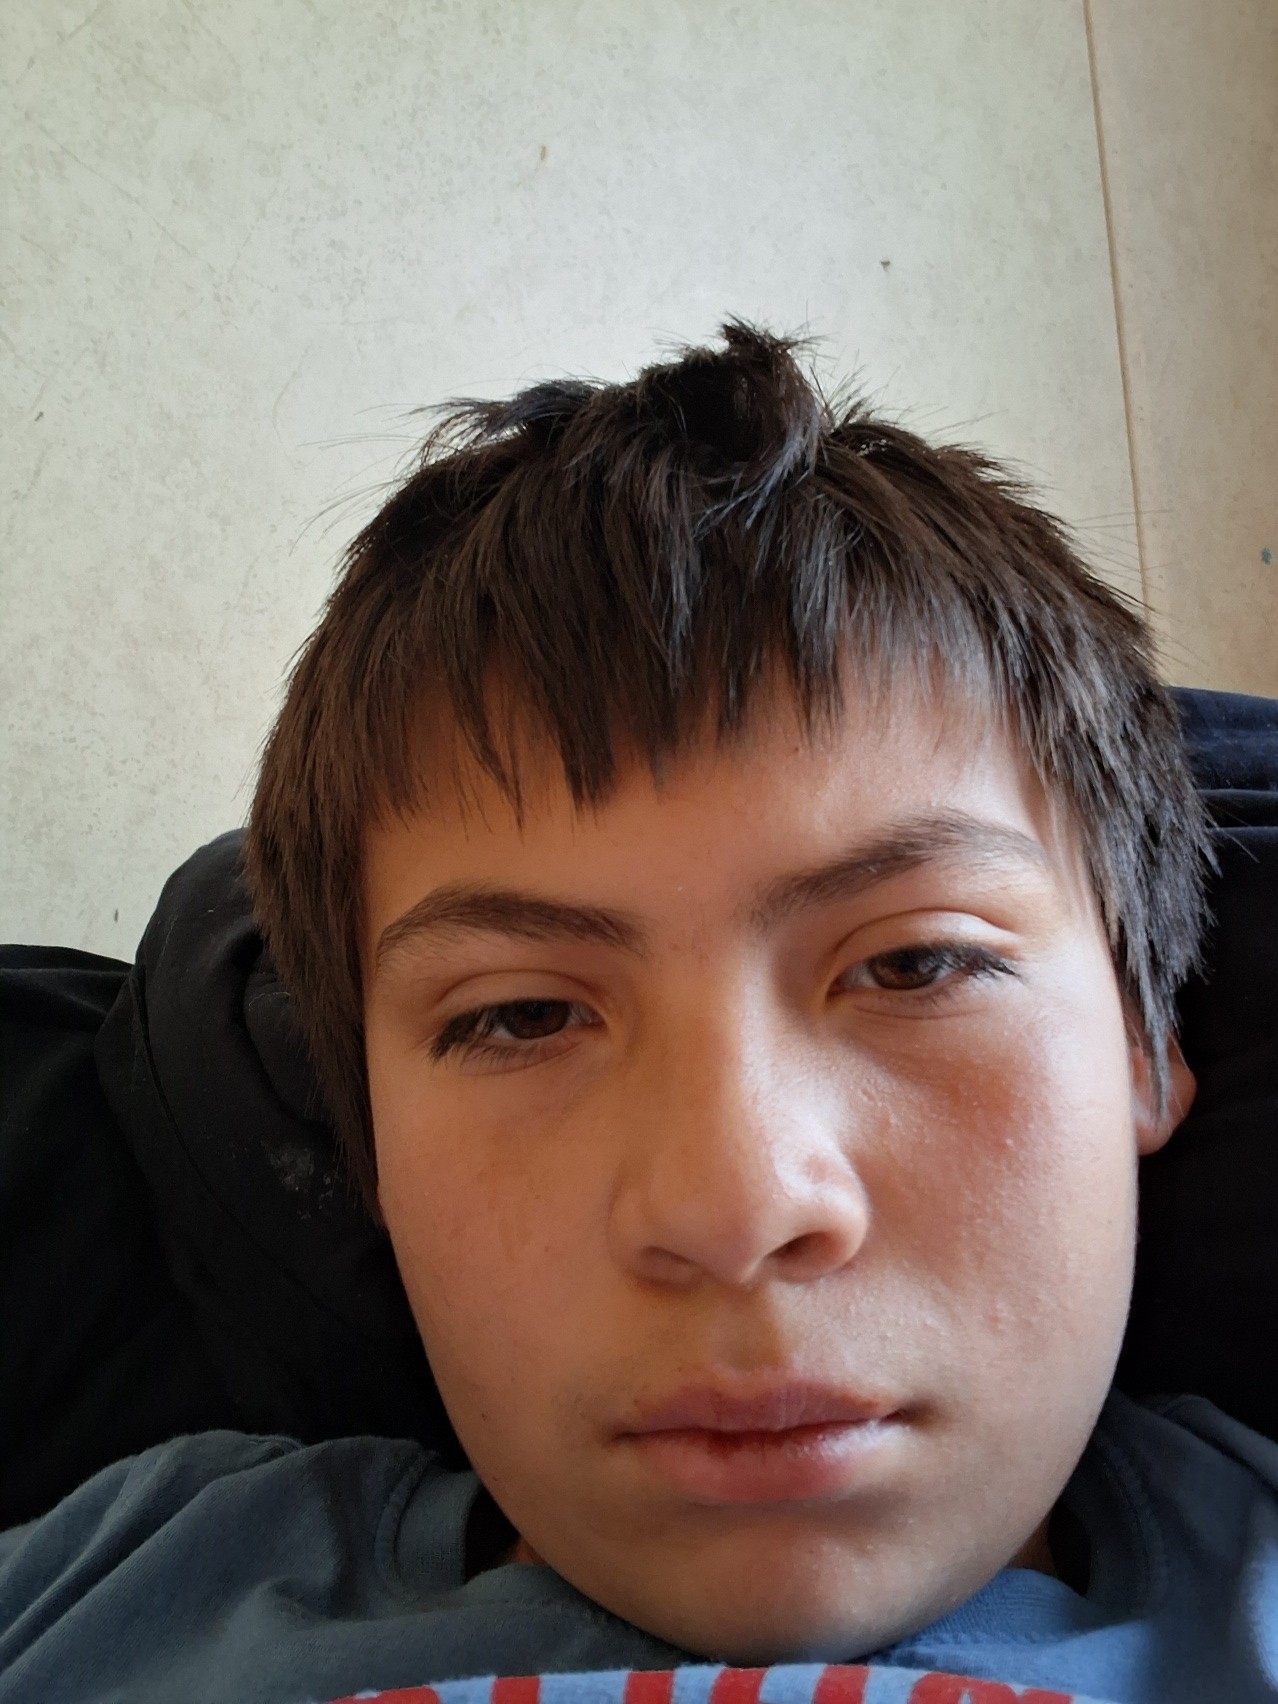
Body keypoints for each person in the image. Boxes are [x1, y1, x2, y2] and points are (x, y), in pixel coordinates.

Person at [3, 323, 1276, 1704]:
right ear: (367, 1139)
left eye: (915, 965)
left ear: (1145, 1046)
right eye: (521, 1017)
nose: (735, 1210)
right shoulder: (96, 1596)